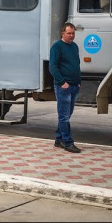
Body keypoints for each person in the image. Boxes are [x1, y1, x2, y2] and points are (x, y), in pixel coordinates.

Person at [49, 22, 82, 153]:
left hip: (74, 86)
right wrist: (62, 82)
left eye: (73, 33)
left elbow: (77, 64)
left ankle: (58, 139)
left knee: (67, 115)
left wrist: (78, 82)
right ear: (62, 33)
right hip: (64, 87)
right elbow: (52, 67)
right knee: (64, 116)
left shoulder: (74, 46)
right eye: (69, 33)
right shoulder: (57, 47)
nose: (71, 35)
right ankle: (67, 142)